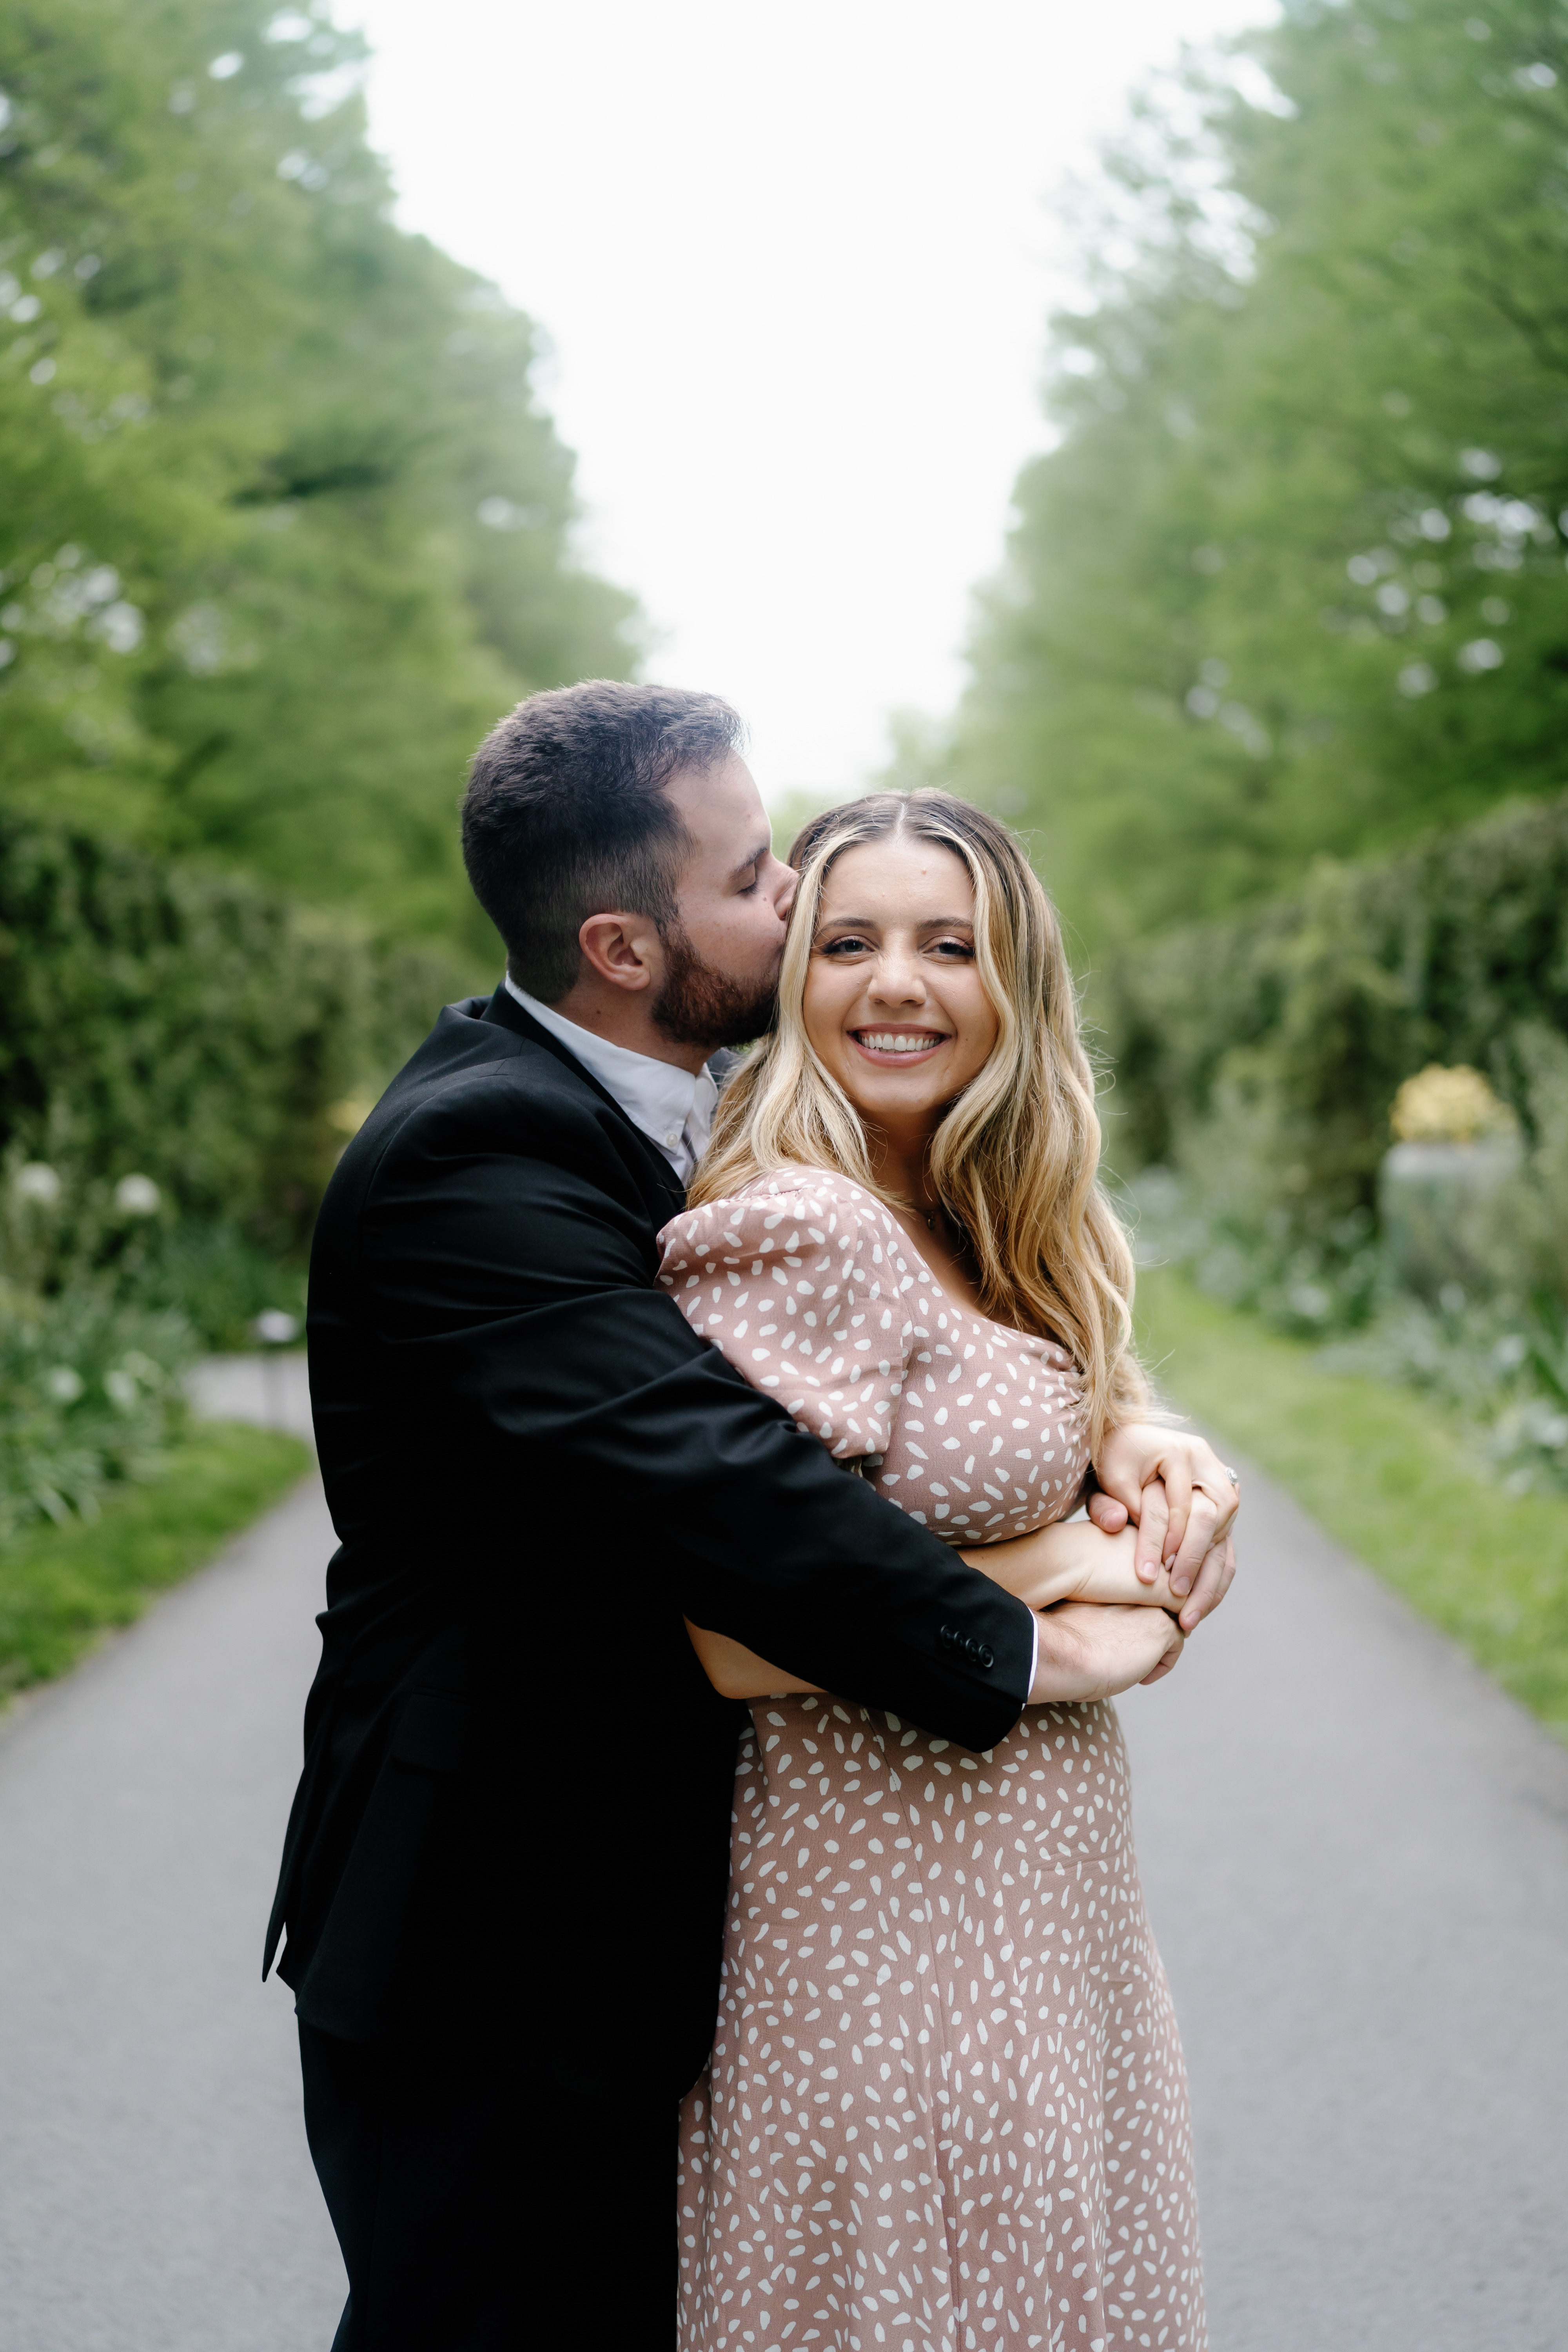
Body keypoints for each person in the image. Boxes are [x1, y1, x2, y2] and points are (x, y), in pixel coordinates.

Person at [263, 682, 1237, 2348]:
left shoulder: (708, 1114)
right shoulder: (475, 1161)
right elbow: (752, 1514)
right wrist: (1059, 1610)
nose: (792, 905)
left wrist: (1141, 1435)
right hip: (496, 1923)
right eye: (758, 880)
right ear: (625, 947)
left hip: (669, 1907)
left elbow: (957, 1354)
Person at [664, 788, 1211, 2349]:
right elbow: (728, 1632)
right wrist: (1065, 1581)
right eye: (847, 941)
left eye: (946, 945)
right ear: (791, 976)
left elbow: (1003, 1413)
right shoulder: (798, 1226)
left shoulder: (989, 1210)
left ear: (1013, 983)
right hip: (883, 1924)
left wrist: (1146, 1436)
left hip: (1048, 1904)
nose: (894, 982)